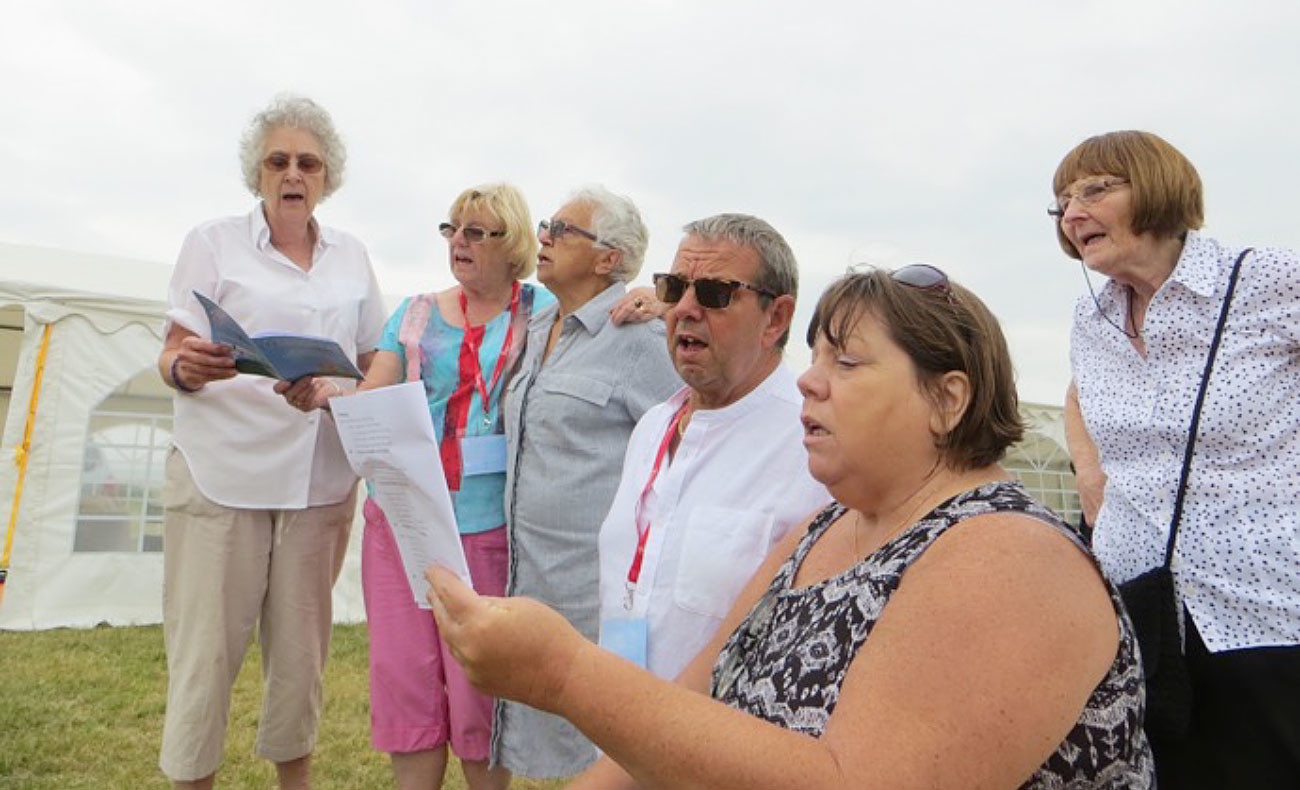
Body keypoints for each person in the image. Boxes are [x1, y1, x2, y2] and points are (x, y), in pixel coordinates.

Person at [425, 267, 1154, 789]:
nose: (808, 380)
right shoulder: (820, 532)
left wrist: (564, 674)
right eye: (813, 358)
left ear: (947, 400)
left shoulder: (1009, 558)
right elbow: (690, 707)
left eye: (847, 360)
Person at [281, 182, 551, 790]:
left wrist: (643, 300)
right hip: (402, 524)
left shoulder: (543, 315)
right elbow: (370, 400)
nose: (460, 241)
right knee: (406, 681)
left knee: (482, 687)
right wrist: (328, 397)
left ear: (514, 247)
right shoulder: (416, 313)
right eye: (454, 228)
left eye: (478, 232)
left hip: (489, 530)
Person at [1053, 129, 1300, 788]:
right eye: (1063, 202)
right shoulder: (1090, 316)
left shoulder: (1266, 280)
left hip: (1266, 611)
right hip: (1139, 616)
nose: (1073, 214)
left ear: (1159, 186)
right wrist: (1089, 470)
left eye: (1095, 190)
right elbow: (1079, 392)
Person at [157, 94, 387, 789]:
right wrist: (185, 368)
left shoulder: (353, 256)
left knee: (299, 659)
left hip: (319, 482)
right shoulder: (212, 241)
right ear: (257, 173)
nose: (293, 173)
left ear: (327, 177)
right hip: (220, 474)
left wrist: (344, 392)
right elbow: (171, 350)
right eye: (278, 161)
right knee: (206, 657)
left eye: (308, 163)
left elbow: (378, 354)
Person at [594, 213, 831, 682]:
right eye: (673, 287)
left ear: (776, 318)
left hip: (722, 745)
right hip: (618, 726)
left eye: (714, 294)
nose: (683, 308)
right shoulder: (652, 427)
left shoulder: (812, 447)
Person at [493, 186, 680, 778]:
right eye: (547, 224)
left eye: (562, 229)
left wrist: (669, 306)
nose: (543, 236)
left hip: (593, 601)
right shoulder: (542, 322)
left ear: (609, 259)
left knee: (601, 757)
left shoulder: (643, 340)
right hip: (531, 582)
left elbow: (687, 447)